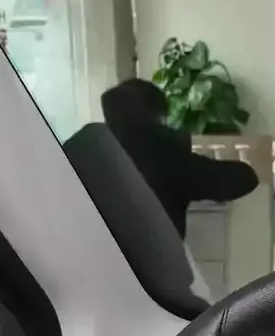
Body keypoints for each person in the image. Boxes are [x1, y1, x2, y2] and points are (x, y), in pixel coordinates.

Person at [97, 77, 261, 239]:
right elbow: (242, 179)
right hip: (155, 253)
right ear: (158, 116)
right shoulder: (165, 156)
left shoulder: (95, 157)